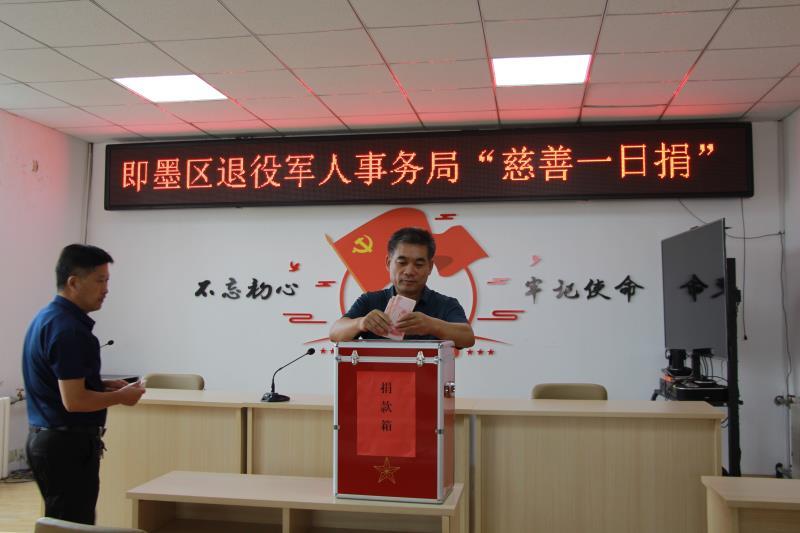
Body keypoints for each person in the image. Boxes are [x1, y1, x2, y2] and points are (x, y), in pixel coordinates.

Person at [22, 244, 145, 525]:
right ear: (74, 283)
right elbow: (75, 400)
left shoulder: (47, 318)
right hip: (64, 445)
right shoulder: (69, 330)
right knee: (72, 524)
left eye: (107, 281)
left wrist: (100, 385)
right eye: (100, 281)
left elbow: (59, 381)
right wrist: (121, 397)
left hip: (49, 439)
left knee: (66, 522)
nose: (106, 289)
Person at [330, 227, 475, 349]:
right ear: (388, 263)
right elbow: (335, 333)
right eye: (402, 262)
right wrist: (360, 323)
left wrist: (432, 325)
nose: (409, 271)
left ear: (430, 267)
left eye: (419, 264)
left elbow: (468, 337)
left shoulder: (446, 304)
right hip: (376, 375)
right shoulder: (370, 300)